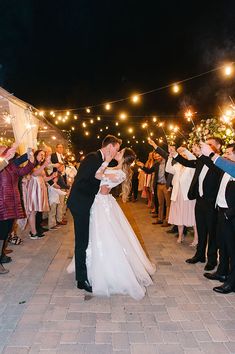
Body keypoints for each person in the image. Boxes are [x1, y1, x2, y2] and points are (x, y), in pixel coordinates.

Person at [67, 147, 156, 300]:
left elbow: (100, 183)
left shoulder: (120, 173)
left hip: (102, 204)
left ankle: (107, 271)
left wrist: (103, 166)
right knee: (93, 237)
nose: (117, 153)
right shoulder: (114, 169)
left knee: (102, 236)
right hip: (100, 203)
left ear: (124, 158)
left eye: (119, 152)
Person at [67, 135, 122, 293]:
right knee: (82, 241)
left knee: (84, 239)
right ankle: (81, 279)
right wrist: (101, 184)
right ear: (110, 146)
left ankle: (83, 273)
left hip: (84, 202)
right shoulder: (93, 158)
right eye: (116, 148)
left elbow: (94, 179)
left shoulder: (98, 158)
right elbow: (85, 181)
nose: (116, 152)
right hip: (80, 203)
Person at [169, 138, 223, 271]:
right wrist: (175, 154)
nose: (207, 147)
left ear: (218, 146)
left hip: (211, 203)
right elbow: (187, 162)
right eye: (206, 144)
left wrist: (205, 153)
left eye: (210, 145)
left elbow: (211, 165)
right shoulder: (201, 160)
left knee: (212, 232)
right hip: (199, 201)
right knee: (201, 229)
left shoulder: (219, 162)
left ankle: (211, 260)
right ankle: (199, 255)